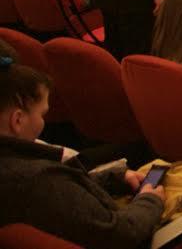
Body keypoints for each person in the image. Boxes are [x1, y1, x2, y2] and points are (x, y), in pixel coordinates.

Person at [0, 59, 167, 247]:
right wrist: (150, 200)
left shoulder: (21, 171)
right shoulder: (39, 180)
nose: (43, 122)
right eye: (42, 114)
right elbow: (121, 233)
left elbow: (63, 200)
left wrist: (114, 178)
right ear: (18, 120)